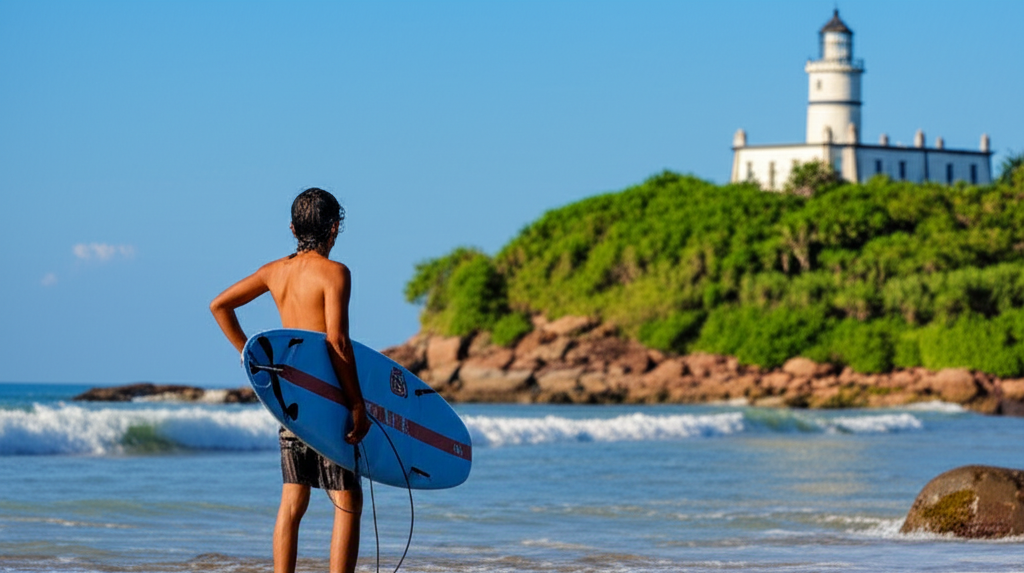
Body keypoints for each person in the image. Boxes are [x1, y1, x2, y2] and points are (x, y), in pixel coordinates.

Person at [210, 187, 371, 573]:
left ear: (293, 229)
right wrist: (356, 403)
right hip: (328, 402)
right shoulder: (335, 274)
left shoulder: (274, 272)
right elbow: (337, 342)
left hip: (289, 403)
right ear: (333, 229)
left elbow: (220, 305)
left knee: (293, 501)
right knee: (347, 500)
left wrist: (252, 356)